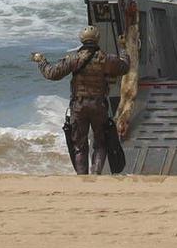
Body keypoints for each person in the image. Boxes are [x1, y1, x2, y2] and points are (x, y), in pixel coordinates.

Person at [32, 25, 131, 175]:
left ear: (81, 39)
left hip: (78, 106)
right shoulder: (105, 59)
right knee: (100, 143)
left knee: (79, 145)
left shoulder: (73, 58)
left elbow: (52, 74)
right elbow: (124, 67)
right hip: (99, 106)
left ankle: (82, 178)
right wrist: (123, 48)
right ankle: (96, 174)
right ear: (97, 39)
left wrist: (41, 61)